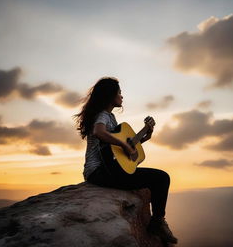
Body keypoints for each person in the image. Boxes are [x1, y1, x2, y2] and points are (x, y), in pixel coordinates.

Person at [73, 77, 178, 244]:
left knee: (157, 177)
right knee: (161, 178)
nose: (122, 96)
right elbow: (99, 132)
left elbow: (117, 150)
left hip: (109, 170)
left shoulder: (111, 118)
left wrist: (145, 136)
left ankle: (157, 221)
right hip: (100, 172)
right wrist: (125, 144)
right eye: (119, 93)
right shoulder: (103, 116)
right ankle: (157, 222)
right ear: (110, 96)